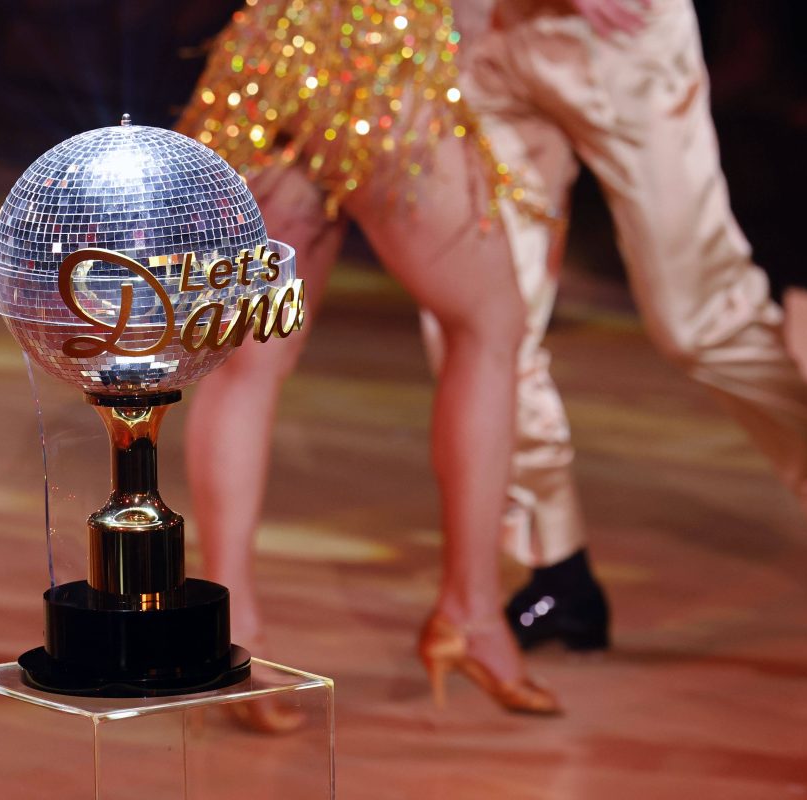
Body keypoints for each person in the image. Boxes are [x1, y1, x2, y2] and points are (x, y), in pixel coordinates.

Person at [432, 0, 807, 650]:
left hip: (616, 41)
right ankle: (555, 564)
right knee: (483, 324)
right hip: (482, 35)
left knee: (699, 319)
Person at [177, 0, 558, 716]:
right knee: (491, 323)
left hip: (268, 54)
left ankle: (231, 636)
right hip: (376, 61)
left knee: (248, 358)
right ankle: (471, 613)